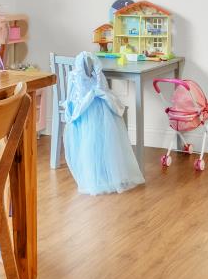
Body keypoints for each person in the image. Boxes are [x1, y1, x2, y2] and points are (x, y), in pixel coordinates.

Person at [62, 51, 146, 195]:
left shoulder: (75, 75)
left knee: (92, 142)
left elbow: (79, 93)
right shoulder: (96, 73)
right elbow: (101, 88)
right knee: (105, 137)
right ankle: (109, 171)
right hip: (93, 109)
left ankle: (98, 173)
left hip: (82, 107)